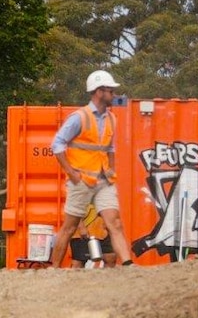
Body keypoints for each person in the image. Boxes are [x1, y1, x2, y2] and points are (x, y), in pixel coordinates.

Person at [49, 70, 134, 267]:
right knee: (69, 229)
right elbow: (57, 144)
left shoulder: (112, 118)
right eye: (110, 90)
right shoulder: (80, 117)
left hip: (104, 180)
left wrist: (111, 168)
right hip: (82, 181)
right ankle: (52, 271)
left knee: (115, 223)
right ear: (98, 92)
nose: (113, 94)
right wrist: (71, 173)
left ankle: (129, 265)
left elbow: (110, 147)